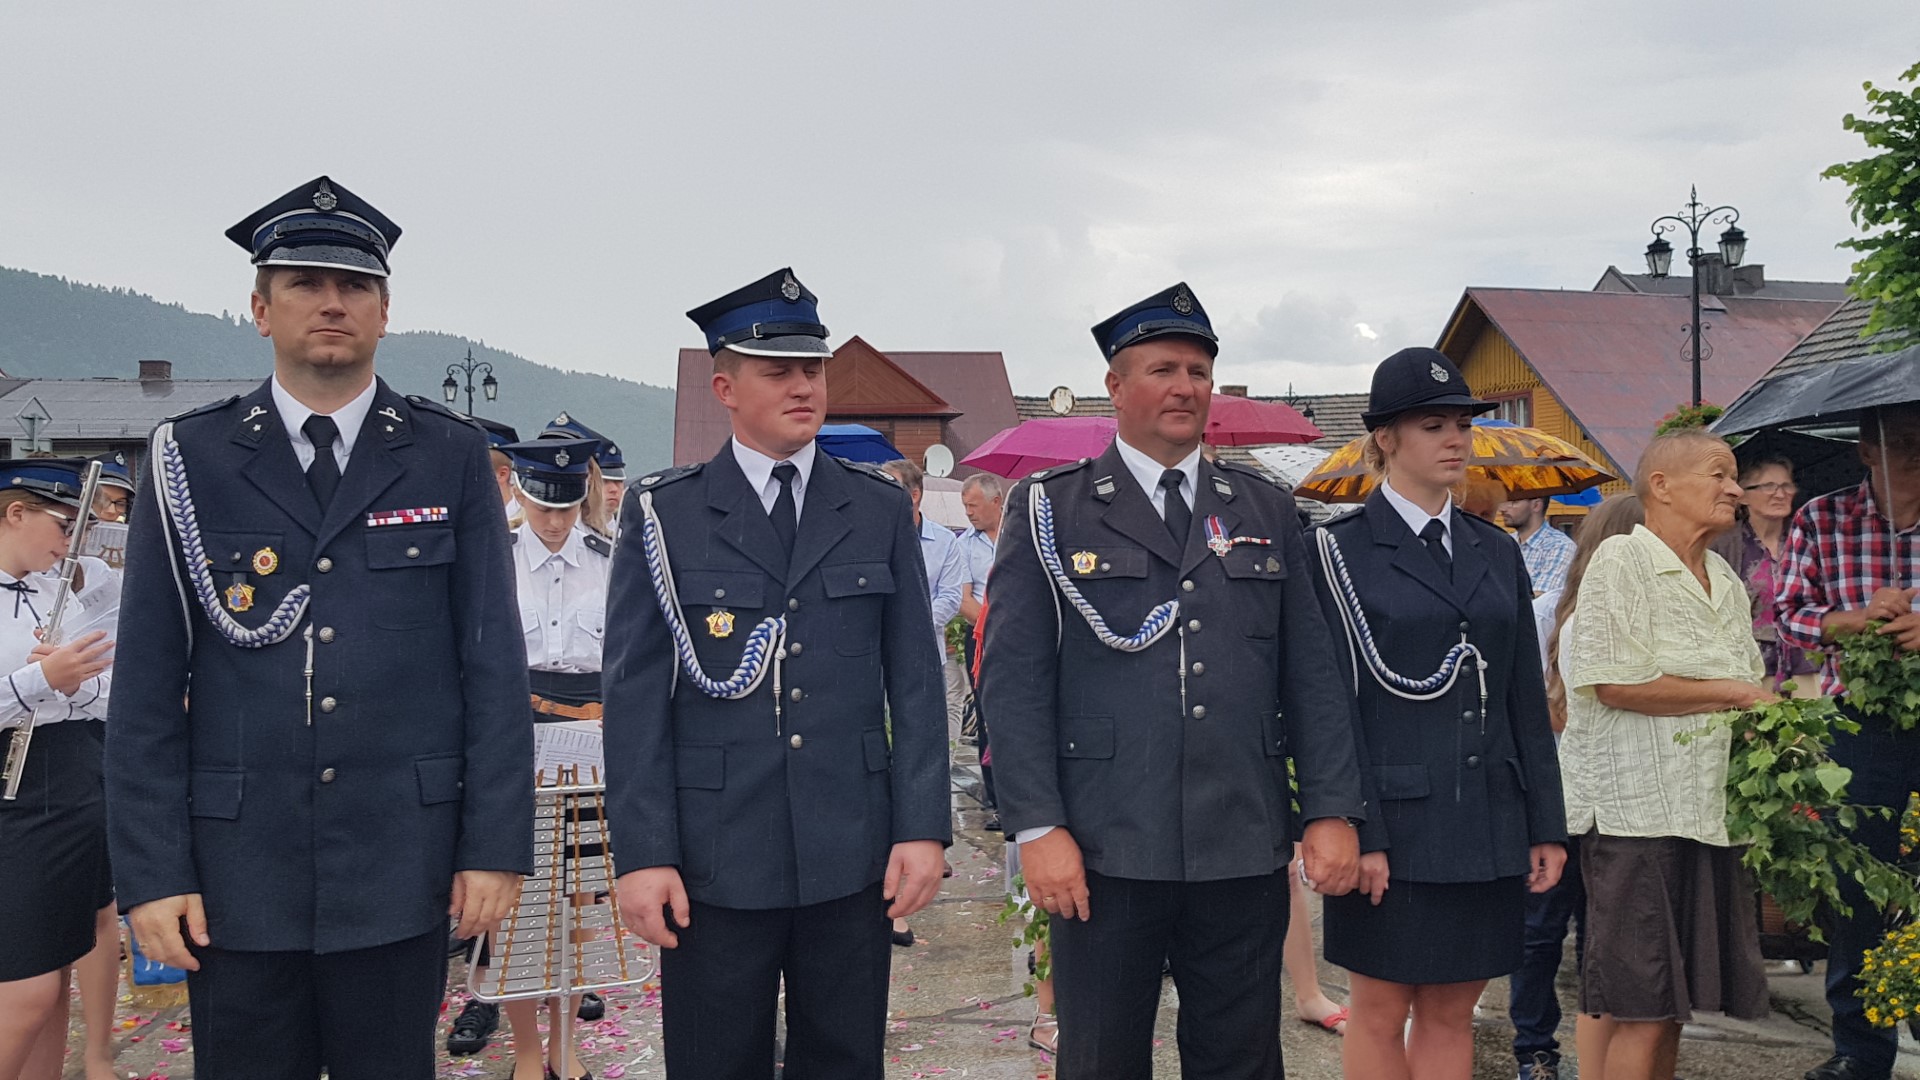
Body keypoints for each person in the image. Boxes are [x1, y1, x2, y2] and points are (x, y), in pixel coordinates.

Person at [104, 176, 534, 1080]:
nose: (332, 302)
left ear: (385, 312)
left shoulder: (450, 454)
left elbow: (492, 668)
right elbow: (145, 685)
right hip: (235, 871)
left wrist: (494, 848)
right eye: (304, 282)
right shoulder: (190, 456)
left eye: (355, 286)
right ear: (261, 309)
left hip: (401, 862)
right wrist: (151, 872)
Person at [982, 282, 1365, 1080]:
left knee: (1241, 1059)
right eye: (1163, 369)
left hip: (1240, 836)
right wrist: (1036, 826)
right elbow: (1013, 684)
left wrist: (1331, 809)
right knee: (1101, 1059)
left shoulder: (1264, 507)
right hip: (1104, 845)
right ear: (1116, 387)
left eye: (1198, 371)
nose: (1185, 386)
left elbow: (1313, 674)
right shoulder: (1053, 511)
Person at [603, 268, 949, 1080]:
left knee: (844, 1060)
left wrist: (922, 826)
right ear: (725, 388)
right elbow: (635, 696)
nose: (804, 386)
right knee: (715, 1061)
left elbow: (915, 680)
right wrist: (643, 853)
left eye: (813, 369)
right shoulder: (665, 513)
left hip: (850, 847)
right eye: (778, 370)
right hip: (714, 854)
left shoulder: (874, 507)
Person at [1308, 346, 1566, 1080]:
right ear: (1385, 438)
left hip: (1487, 818)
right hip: (1393, 821)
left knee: (1454, 1012)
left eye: (1462, 424)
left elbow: (1524, 696)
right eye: (1433, 426)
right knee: (1381, 1009)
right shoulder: (1336, 551)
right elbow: (1330, 708)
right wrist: (1357, 828)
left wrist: (1545, 822)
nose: (1456, 440)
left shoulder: (1495, 549)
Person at [1558, 430, 1771, 1080]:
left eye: (1735, 476)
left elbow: (1751, 685)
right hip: (1635, 820)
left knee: (1675, 1010)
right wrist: (1733, 694)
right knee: (1642, 1009)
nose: (1735, 489)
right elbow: (1615, 683)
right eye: (1719, 474)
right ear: (1662, 487)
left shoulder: (1724, 578)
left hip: (1705, 815)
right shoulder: (1623, 558)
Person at [1777, 403, 1920, 1080]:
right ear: (1867, 449)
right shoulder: (1822, 518)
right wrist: (1860, 619)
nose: (1917, 454)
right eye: (1904, 442)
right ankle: (1859, 1052)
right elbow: (1791, 616)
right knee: (1856, 881)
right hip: (1860, 723)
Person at [465, 437, 609, 1080]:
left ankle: (564, 1045)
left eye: (567, 508)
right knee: (516, 904)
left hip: (589, 749)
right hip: (511, 743)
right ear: (520, 494)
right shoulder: (491, 559)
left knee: (579, 899)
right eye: (543, 506)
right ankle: (526, 1050)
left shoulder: (610, 561)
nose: (555, 520)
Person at [1508, 492, 1643, 1080]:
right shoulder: (1549, 614)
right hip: (1559, 794)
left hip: (1621, 796)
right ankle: (1535, 1049)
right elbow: (1524, 706)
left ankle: (1598, 1056)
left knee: (1602, 935)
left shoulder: (1648, 616)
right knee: (1541, 929)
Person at [0, 460, 118, 1080]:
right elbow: (34, 688)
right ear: (15, 514)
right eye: (62, 524)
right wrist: (37, 681)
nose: (71, 541)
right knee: (26, 989)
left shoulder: (55, 591)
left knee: (57, 969)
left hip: (73, 780)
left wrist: (71, 685)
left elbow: (101, 690)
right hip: (14, 794)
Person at [879, 457, 964, 949]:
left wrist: (905, 622)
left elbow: (951, 597)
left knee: (928, 756)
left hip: (923, 661)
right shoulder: (869, 533)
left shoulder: (943, 542)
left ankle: (929, 835)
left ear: (914, 496)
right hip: (873, 667)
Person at [1731, 456, 1819, 695]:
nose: (1780, 494)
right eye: (1768, 486)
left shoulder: (1808, 538)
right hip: (1752, 668)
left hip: (1806, 663)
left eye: (1786, 486)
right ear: (1743, 496)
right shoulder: (1727, 544)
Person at [541, 414, 627, 534]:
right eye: (604, 481)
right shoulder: (558, 531)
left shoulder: (631, 533)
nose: (613, 489)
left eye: (619, 482)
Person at [1500, 495, 1577, 597]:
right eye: (1504, 501)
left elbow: (1541, 598)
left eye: (1514, 502)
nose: (1502, 509)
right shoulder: (1505, 542)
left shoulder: (1560, 546)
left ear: (1536, 505)